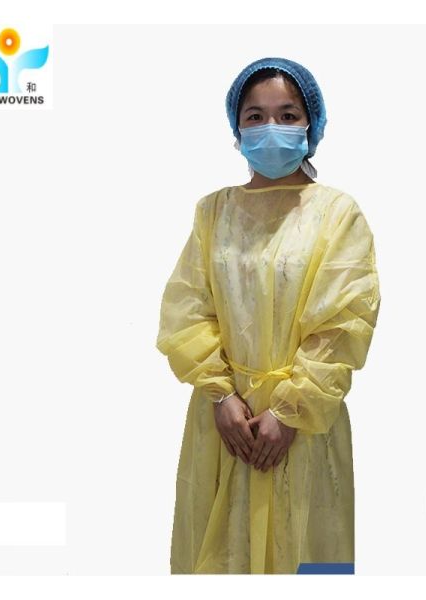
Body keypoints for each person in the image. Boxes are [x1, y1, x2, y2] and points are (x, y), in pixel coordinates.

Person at [155, 56, 381, 574]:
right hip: (225, 427)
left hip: (305, 427)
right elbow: (189, 309)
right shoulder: (213, 212)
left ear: (311, 125)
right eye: (255, 116)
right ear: (237, 129)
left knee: (308, 556)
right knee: (219, 557)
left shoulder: (337, 214)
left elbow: (344, 322)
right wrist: (220, 395)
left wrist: (291, 410)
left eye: (287, 114)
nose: (270, 126)